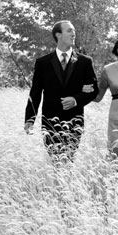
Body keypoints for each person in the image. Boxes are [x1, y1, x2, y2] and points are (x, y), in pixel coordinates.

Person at [24, 20, 98, 162]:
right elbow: (36, 92)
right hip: (50, 120)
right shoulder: (42, 63)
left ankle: (68, 183)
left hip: (75, 119)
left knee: (69, 160)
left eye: (74, 31)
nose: (73, 33)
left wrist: (76, 99)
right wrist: (30, 118)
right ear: (58, 35)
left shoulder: (85, 62)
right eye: (69, 30)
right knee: (55, 161)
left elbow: (94, 91)